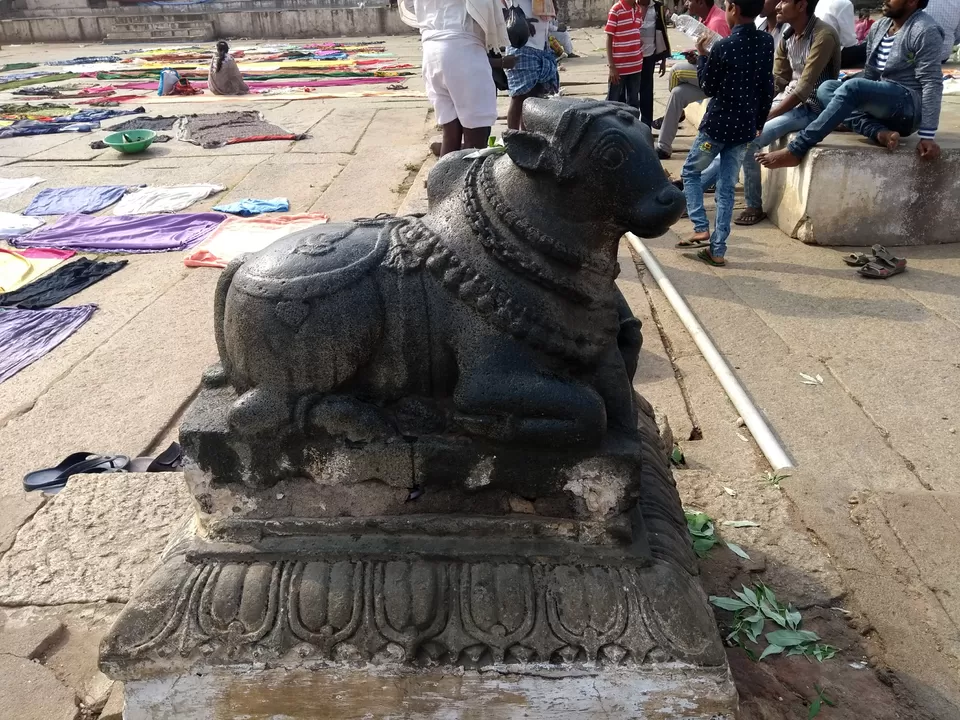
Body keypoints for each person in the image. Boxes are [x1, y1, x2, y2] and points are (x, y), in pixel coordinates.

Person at [694, 0, 840, 226]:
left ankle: (753, 204)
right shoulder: (788, 35)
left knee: (749, 140)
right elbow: (778, 80)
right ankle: (692, 188)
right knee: (734, 134)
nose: (779, 6)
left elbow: (804, 88)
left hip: (810, 107)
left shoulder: (823, 36)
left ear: (802, 6)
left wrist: (763, 117)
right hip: (786, 101)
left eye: (785, 1)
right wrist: (752, 108)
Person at [758, 0, 944, 168]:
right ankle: (878, 132)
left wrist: (927, 136)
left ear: (911, 2)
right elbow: (870, 74)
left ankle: (797, 149)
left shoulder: (924, 30)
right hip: (882, 103)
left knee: (852, 87)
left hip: (907, 106)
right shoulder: (880, 27)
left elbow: (932, 82)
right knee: (827, 88)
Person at [679, 0, 774, 266]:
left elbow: (708, 87)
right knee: (727, 189)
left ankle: (700, 226)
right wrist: (759, 122)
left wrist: (702, 57)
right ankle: (717, 250)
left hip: (717, 128)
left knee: (690, 172)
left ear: (732, 8)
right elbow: (767, 87)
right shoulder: (766, 42)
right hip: (745, 128)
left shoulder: (723, 45)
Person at [400, 0, 508, 155]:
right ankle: (466, 178)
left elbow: (409, 5)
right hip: (464, 50)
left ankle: (442, 179)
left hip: (431, 51)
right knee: (476, 137)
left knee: (450, 135)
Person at [653, 0, 732, 158]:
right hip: (708, 72)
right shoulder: (706, 19)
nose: (687, 3)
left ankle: (680, 113)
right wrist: (697, 57)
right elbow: (711, 54)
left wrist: (700, 57)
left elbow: (722, 60)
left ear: (701, 2)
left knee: (676, 71)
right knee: (677, 93)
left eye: (689, 0)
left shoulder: (717, 22)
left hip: (720, 80)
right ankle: (663, 147)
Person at [505, 0, 561, 129]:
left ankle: (527, 138)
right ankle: (513, 137)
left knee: (535, 99)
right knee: (519, 97)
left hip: (542, 48)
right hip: (522, 46)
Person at [605, 0, 646, 110]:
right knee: (612, 103)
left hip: (636, 66)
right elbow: (609, 38)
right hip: (619, 68)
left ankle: (632, 127)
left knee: (633, 103)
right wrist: (611, 66)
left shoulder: (638, 9)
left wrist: (637, 42)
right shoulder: (616, 10)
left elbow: (636, 30)